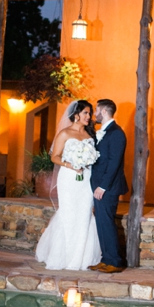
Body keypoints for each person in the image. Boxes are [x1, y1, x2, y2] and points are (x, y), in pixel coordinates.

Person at [35, 100, 102, 270]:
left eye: (90, 113)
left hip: (85, 178)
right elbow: (55, 156)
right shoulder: (65, 133)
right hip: (69, 177)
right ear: (76, 114)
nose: (89, 116)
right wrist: (70, 164)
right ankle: (61, 256)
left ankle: (81, 258)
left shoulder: (91, 135)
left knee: (85, 213)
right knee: (68, 213)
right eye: (86, 113)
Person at [88, 99, 128, 273]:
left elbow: (114, 163)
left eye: (96, 109)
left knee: (107, 222)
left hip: (108, 187)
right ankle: (106, 259)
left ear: (103, 111)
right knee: (102, 223)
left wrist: (103, 186)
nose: (94, 113)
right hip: (99, 185)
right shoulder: (102, 131)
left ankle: (115, 262)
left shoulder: (116, 133)